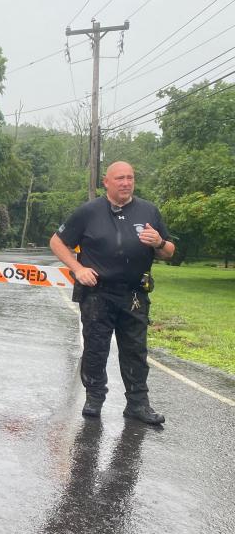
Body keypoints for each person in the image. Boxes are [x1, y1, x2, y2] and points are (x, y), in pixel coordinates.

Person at [49, 161, 175, 425]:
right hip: (97, 293)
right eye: (120, 178)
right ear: (106, 182)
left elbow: (169, 251)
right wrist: (77, 268)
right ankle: (94, 398)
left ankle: (138, 405)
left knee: (135, 351)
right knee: (95, 349)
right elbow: (57, 241)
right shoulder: (88, 212)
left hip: (135, 295)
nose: (126, 183)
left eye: (130, 177)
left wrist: (160, 242)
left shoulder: (148, 211)